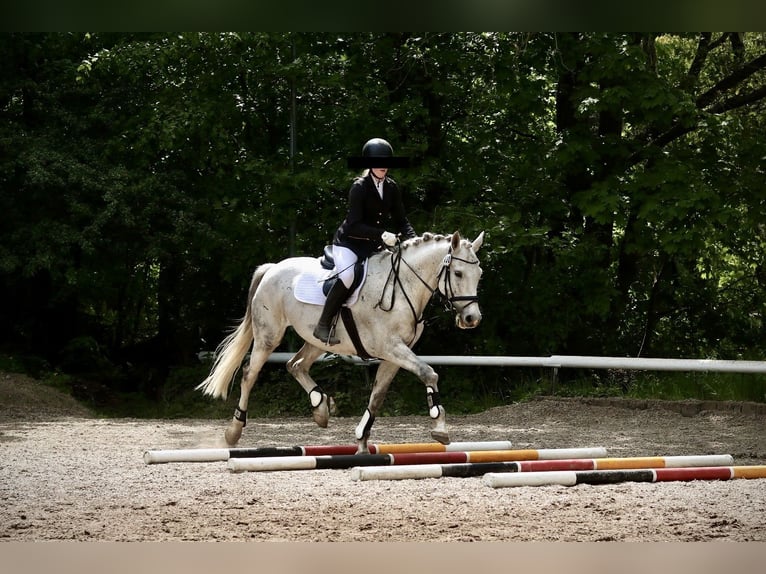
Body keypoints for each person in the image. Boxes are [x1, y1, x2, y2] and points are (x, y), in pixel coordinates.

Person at [312, 137, 418, 345]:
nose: (383, 166)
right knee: (349, 276)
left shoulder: (391, 187)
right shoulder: (359, 187)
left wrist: (415, 241)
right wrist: (381, 234)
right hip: (349, 243)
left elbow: (401, 220)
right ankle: (323, 324)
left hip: (373, 247)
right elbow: (353, 224)